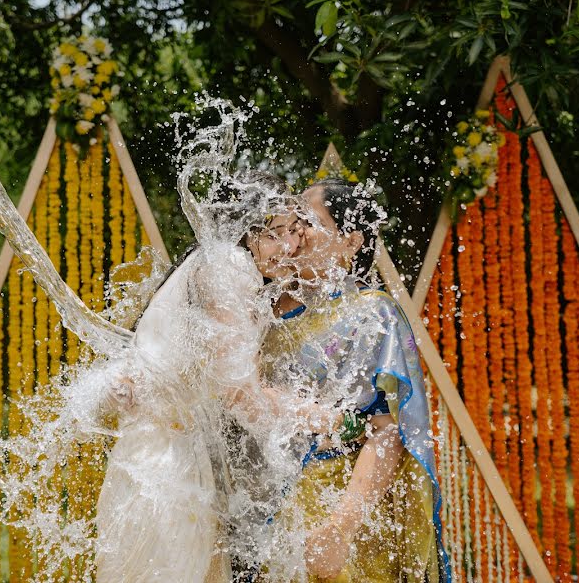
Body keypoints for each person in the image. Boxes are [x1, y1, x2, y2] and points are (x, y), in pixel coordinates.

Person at [92, 171, 338, 582]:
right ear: (245, 229)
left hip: (165, 456)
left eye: (294, 232)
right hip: (163, 468)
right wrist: (316, 417)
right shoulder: (228, 267)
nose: (290, 246)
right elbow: (239, 394)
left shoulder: (222, 265)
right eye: (276, 233)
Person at [248, 178, 451, 583]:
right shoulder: (257, 307)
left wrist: (340, 527)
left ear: (351, 242)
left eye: (310, 222)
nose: (297, 234)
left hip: (333, 511)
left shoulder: (371, 316)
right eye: (294, 223)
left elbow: (387, 431)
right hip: (258, 507)